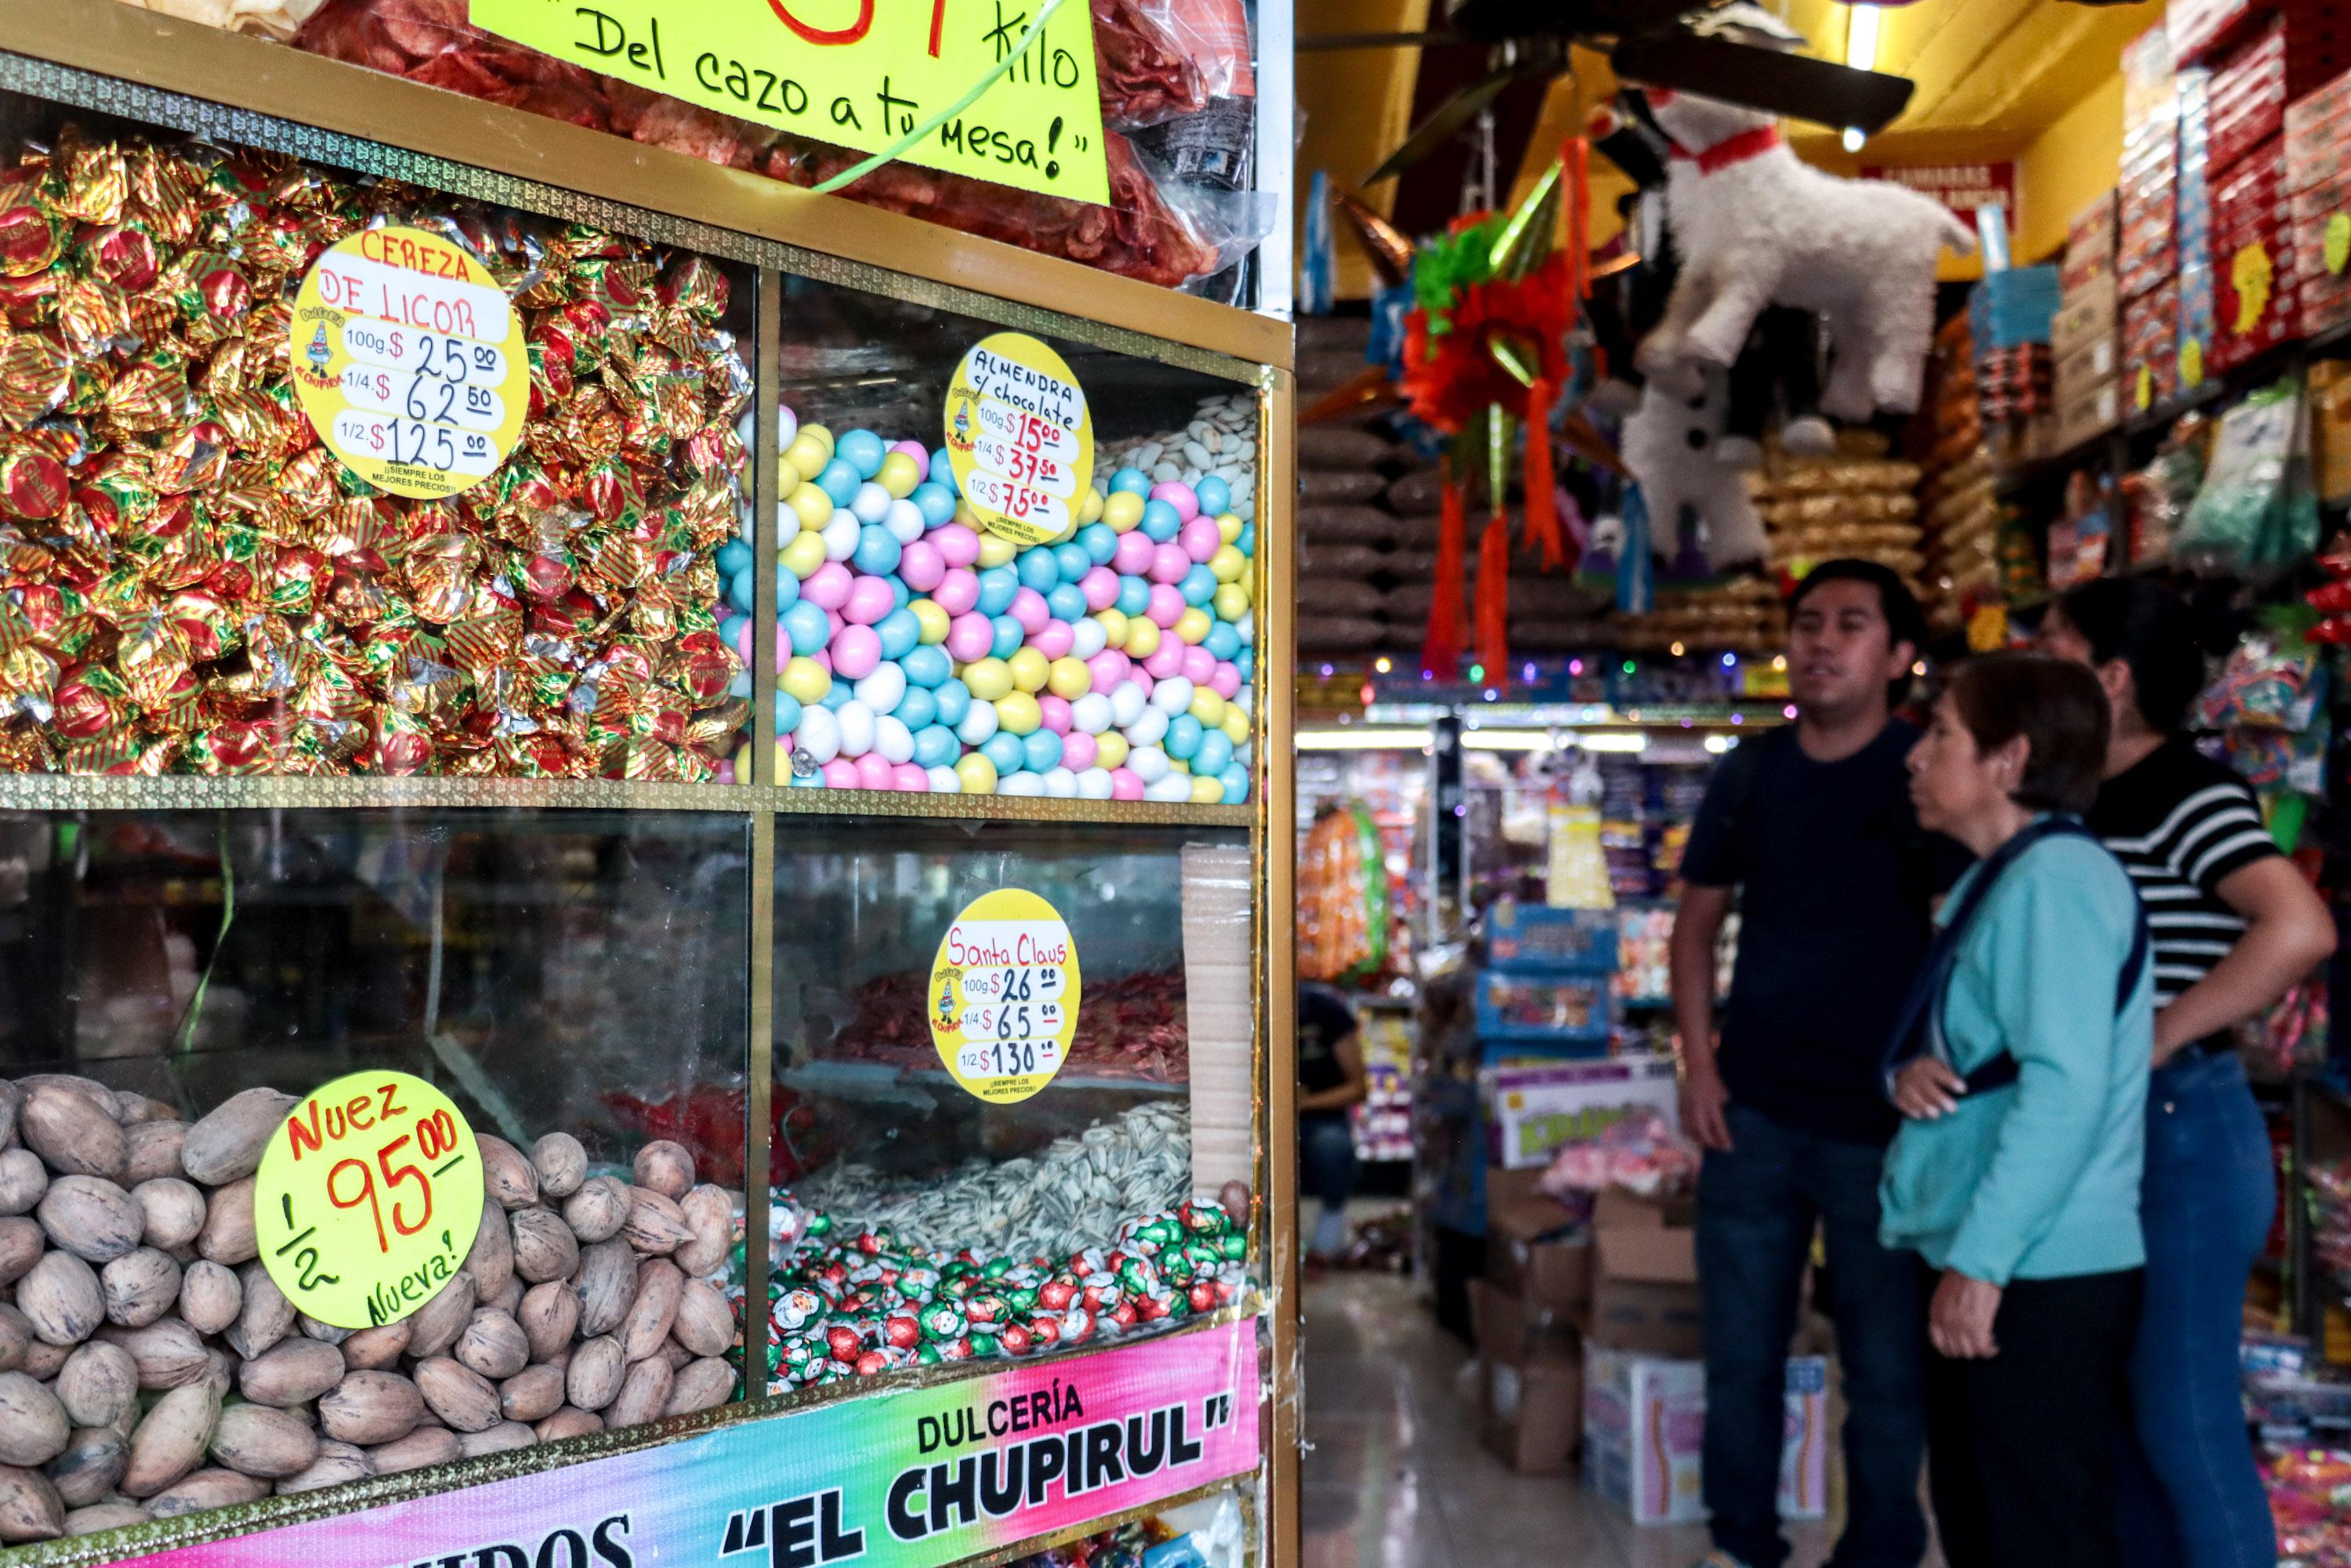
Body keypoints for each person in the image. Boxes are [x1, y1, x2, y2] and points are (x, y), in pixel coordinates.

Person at [2042, 579, 2335, 1568]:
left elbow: (2299, 927)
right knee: (2124, 1409)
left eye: (2055, 647)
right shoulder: (2079, 793)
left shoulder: (2184, 790)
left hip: (2183, 1127)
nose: (2034, 668)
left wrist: (2161, 1035)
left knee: (2184, 1412)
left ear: (2112, 678)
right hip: (2117, 1125)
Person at [1672, 559, 1952, 1568]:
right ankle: (1741, 1543)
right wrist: (1699, 1068)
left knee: (1886, 1366)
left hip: (1886, 1124)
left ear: (1901, 653)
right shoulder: (1751, 773)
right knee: (1740, 1353)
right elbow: (1695, 929)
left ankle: (1880, 1548)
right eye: (1808, 624)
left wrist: (1940, 1065)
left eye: (1852, 624)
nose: (1823, 642)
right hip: (1752, 1111)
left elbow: (1967, 936)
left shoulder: (1928, 771)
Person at [1884, 652, 2153, 1568]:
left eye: (1943, 734)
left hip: (2039, 1265)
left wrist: (1982, 1261)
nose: (1918, 756)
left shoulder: (2055, 882)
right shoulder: (2010, 878)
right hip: (2004, 1251)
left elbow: (2066, 1088)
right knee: (1987, 1523)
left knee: (2033, 1532)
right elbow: (2005, 1052)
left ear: (2010, 759)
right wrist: (1916, 1073)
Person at [1298, 982, 1367, 1262]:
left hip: (1323, 1121)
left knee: (1332, 1146)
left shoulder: (1325, 1010)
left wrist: (1301, 1104)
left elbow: (1358, 1089)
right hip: (1270, 1120)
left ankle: (1329, 1232)